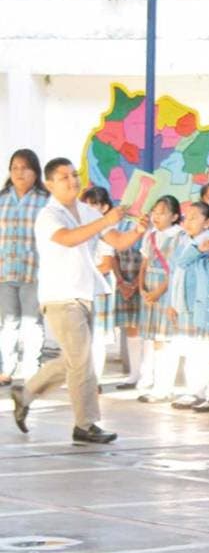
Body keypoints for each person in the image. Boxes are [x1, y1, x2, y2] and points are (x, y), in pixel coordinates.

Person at [11, 158, 146, 442]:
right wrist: (105, 220)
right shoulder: (48, 215)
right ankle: (85, 424)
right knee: (82, 360)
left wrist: (138, 231)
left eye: (74, 175)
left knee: (75, 360)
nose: (73, 181)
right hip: (60, 296)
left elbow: (118, 241)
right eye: (64, 177)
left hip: (84, 293)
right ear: (49, 184)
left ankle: (26, 393)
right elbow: (69, 238)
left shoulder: (86, 211)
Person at [0, 149, 48, 386]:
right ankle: (6, 369)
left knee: (32, 322)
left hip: (34, 271)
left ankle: (31, 371)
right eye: (15, 168)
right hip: (5, 269)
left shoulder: (45, 200)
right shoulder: (2, 199)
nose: (19, 172)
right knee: (8, 323)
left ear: (35, 172)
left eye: (25, 168)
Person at [168, 202, 209, 410]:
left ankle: (201, 392)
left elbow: (183, 263)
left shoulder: (208, 242)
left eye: (194, 218)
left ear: (207, 223)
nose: (188, 222)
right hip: (184, 303)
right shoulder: (185, 240)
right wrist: (172, 303)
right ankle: (194, 390)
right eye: (186, 217)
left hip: (200, 304)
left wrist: (197, 249)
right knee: (190, 348)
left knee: (202, 349)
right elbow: (175, 272)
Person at [136, 196, 183, 403]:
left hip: (167, 290)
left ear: (174, 216)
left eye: (162, 213)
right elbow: (144, 263)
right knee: (156, 339)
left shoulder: (180, 237)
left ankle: (164, 387)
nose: (156, 216)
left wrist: (158, 291)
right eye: (154, 212)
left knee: (166, 339)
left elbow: (176, 270)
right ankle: (158, 384)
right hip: (150, 289)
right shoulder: (150, 235)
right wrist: (141, 287)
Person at [79, 187, 118, 382]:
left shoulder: (106, 231)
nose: (88, 208)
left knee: (98, 336)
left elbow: (107, 264)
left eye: (94, 204)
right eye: (85, 204)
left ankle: (96, 380)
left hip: (99, 287)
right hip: (81, 287)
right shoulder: (80, 229)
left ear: (104, 207)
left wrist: (85, 271)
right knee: (82, 335)